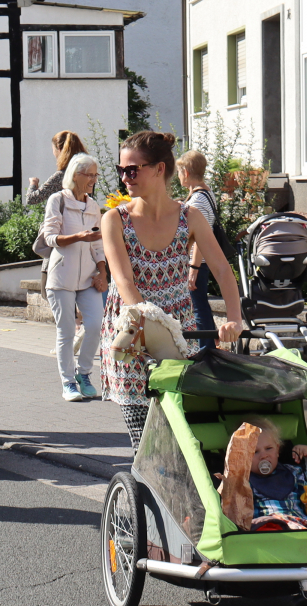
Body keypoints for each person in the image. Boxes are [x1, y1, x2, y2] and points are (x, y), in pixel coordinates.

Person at [99, 131, 246, 450]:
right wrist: (152, 323)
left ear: (159, 169)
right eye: (121, 170)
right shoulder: (115, 220)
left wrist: (234, 319)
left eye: (133, 170)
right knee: (144, 441)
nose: (125, 177)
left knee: (183, 437)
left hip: (180, 333)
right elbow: (124, 281)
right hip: (133, 332)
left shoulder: (189, 216)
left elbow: (222, 270)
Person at [42, 152, 107, 402]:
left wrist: (102, 272)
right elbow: (50, 238)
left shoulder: (93, 206)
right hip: (61, 276)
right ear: (75, 175)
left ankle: (84, 374)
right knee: (67, 331)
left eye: (95, 175)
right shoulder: (58, 200)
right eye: (89, 175)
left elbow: (98, 245)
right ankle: (68, 382)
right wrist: (79, 237)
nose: (93, 180)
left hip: (88, 277)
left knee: (95, 325)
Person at [175, 149, 221, 347]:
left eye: (179, 172)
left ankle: (205, 350)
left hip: (197, 262)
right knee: (201, 304)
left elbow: (201, 237)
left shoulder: (198, 200)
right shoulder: (205, 194)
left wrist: (193, 268)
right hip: (201, 262)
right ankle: (209, 346)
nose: (178, 177)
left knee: (197, 307)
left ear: (185, 172)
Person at [25, 130, 89, 207]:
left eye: (53, 149)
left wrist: (33, 183)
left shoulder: (62, 176)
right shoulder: (87, 172)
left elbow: (31, 199)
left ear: (59, 150)